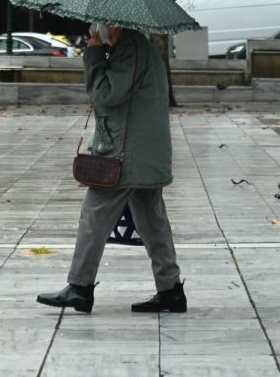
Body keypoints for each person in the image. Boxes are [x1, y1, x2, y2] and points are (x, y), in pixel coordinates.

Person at [37, 23, 185, 315]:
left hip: (128, 153)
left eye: (100, 23)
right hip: (142, 150)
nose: (96, 28)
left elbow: (106, 96)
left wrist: (93, 52)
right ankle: (170, 290)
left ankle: (80, 287)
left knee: (94, 213)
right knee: (152, 222)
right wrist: (104, 53)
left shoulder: (129, 47)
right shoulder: (133, 46)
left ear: (114, 22)